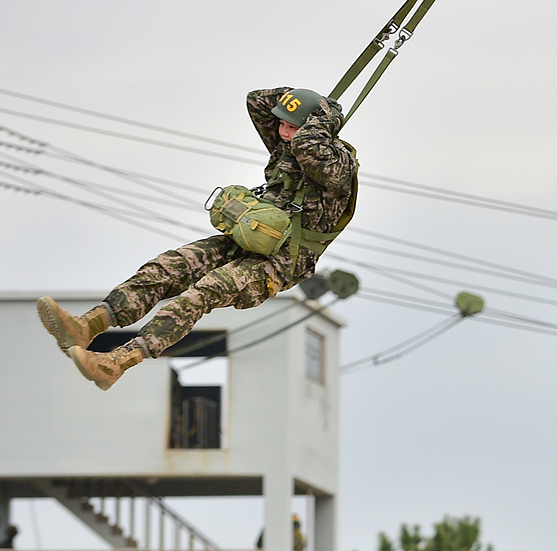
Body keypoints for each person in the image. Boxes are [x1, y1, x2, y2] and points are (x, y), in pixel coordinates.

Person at [38, 87, 358, 390]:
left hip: (283, 262)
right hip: (250, 239)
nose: (284, 133)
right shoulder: (287, 148)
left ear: (314, 129)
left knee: (202, 293)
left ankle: (117, 362)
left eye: (292, 127)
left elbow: (309, 147)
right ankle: (89, 325)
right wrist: (304, 105)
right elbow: (257, 101)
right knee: (170, 266)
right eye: (282, 125)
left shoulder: (337, 165)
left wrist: (324, 115)